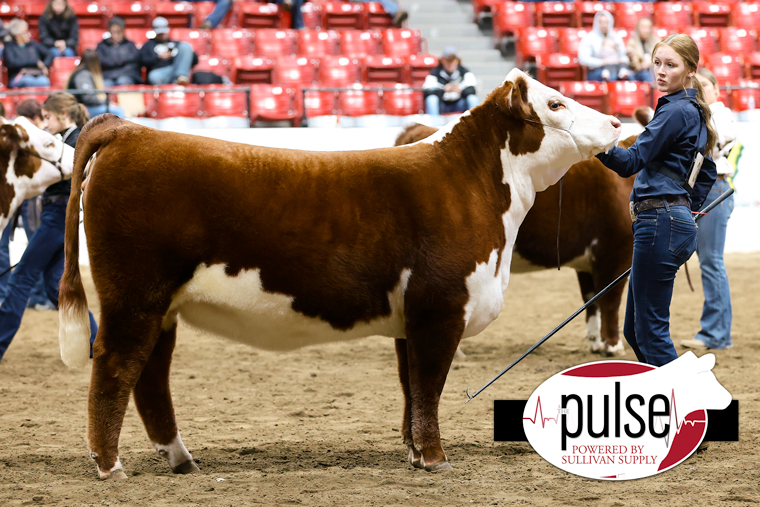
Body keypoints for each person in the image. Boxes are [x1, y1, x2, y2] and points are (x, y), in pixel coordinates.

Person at [596, 34, 718, 367]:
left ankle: (686, 409)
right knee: (636, 331)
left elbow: (629, 162)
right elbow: (706, 173)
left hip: (659, 223)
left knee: (649, 332)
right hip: (668, 222)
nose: (660, 71)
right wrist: (683, 212)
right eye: (657, 63)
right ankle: (667, 404)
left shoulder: (675, 111)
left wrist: (593, 141)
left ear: (690, 71)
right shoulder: (692, 111)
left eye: (671, 65)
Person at [0, 93, 99, 362]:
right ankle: (97, 342)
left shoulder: (76, 139)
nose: (44, 124)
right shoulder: (63, 139)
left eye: (47, 118)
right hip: (54, 215)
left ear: (63, 116)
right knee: (55, 286)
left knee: (22, 278)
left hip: (59, 216)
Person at [681, 68, 738, 352]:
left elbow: (712, 145)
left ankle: (715, 333)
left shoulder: (721, 113)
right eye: (695, 85)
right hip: (706, 190)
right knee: (710, 262)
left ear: (716, 89)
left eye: (704, 84)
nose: (700, 89)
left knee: (711, 262)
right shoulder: (700, 114)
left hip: (715, 187)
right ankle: (718, 333)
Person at [67, 49, 127, 118]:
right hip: (82, 109)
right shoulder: (83, 75)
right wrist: (106, 102)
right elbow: (88, 98)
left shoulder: (84, 72)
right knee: (118, 111)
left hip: (85, 107)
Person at [139, 17, 197, 86]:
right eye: (160, 33)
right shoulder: (149, 45)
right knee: (154, 76)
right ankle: (175, 83)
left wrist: (175, 55)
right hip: (160, 72)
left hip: (176, 68)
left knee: (185, 46)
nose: (162, 35)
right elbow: (142, 61)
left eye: (163, 32)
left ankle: (180, 78)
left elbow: (194, 60)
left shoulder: (176, 44)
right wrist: (158, 57)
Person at [423, 47, 479, 116]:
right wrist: (444, 90)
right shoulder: (435, 73)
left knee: (473, 99)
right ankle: (434, 123)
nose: (450, 64)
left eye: (452, 60)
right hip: (442, 105)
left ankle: (473, 123)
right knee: (431, 99)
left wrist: (459, 90)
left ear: (457, 61)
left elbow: (472, 90)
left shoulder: (465, 72)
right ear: (442, 61)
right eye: (447, 60)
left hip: (459, 104)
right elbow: (427, 91)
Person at [579, 11, 631, 82]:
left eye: (606, 22)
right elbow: (583, 59)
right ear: (596, 23)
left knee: (630, 75)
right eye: (601, 22)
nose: (604, 25)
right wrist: (602, 62)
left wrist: (621, 60)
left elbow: (623, 55)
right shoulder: (589, 38)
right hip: (596, 70)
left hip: (616, 66)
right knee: (612, 76)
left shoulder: (616, 37)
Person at [4, 19, 54, 89]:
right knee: (29, 81)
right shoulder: (9, 46)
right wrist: (35, 62)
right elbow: (12, 63)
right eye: (25, 32)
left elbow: (50, 54)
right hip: (18, 76)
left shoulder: (33, 44)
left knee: (44, 81)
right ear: (17, 35)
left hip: (36, 75)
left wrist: (44, 65)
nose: (28, 34)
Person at [97, 17, 141, 87]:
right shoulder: (102, 46)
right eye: (113, 32)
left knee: (123, 81)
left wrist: (120, 61)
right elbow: (100, 61)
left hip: (127, 74)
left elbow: (135, 59)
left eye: (119, 32)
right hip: (108, 75)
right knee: (105, 85)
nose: (116, 35)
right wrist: (117, 62)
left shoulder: (130, 45)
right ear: (109, 31)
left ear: (123, 31)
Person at [626, 17, 660, 82]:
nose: (646, 30)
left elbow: (660, 57)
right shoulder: (632, 43)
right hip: (639, 72)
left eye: (648, 27)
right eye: (643, 27)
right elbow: (634, 64)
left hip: (654, 69)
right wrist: (641, 65)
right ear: (638, 28)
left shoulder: (657, 41)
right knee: (647, 75)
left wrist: (649, 63)